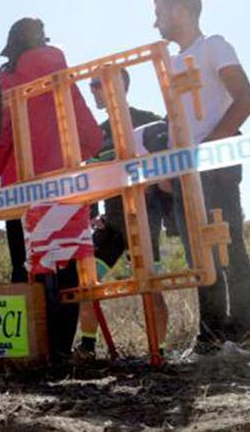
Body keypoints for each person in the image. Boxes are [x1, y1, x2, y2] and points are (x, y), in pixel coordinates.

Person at [0, 18, 102, 361]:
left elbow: (0, 132)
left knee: (25, 265)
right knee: (65, 263)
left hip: (20, 187)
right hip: (66, 183)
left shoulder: (6, 79)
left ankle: (32, 350)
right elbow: (89, 131)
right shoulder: (61, 74)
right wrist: (72, 155)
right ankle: (60, 350)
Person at [153, 0, 250, 355]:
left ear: (181, 11)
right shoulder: (169, 63)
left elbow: (246, 99)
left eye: (160, 13)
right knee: (200, 256)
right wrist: (169, 166)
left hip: (215, 166)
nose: (155, 23)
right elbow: (175, 119)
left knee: (228, 247)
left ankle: (242, 339)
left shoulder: (215, 45)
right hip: (184, 172)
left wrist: (211, 149)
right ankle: (210, 341)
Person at [75, 70, 172, 360]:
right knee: (86, 283)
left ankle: (159, 352)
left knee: (150, 287)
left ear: (118, 87)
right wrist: (92, 212)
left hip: (144, 219)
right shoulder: (97, 132)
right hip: (112, 222)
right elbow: (88, 173)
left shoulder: (148, 120)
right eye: (90, 86)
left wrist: (166, 210)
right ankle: (88, 348)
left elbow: (168, 167)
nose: (92, 92)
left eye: (96, 86)